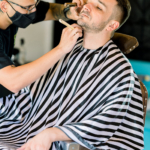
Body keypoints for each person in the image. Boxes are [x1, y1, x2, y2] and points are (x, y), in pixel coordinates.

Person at [0, 0, 144, 149]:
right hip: (19, 126)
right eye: (89, 1)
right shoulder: (70, 47)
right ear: (4, 6)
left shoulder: (120, 69)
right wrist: (61, 48)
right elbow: (15, 83)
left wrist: (52, 134)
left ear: (112, 25)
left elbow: (109, 121)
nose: (87, 5)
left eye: (98, 7)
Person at [0, 0, 84, 98]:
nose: (34, 11)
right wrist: (61, 48)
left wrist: (69, 12)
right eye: (28, 8)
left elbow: (51, 11)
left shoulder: (22, 6)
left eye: (35, 5)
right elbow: (13, 82)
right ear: (4, 6)